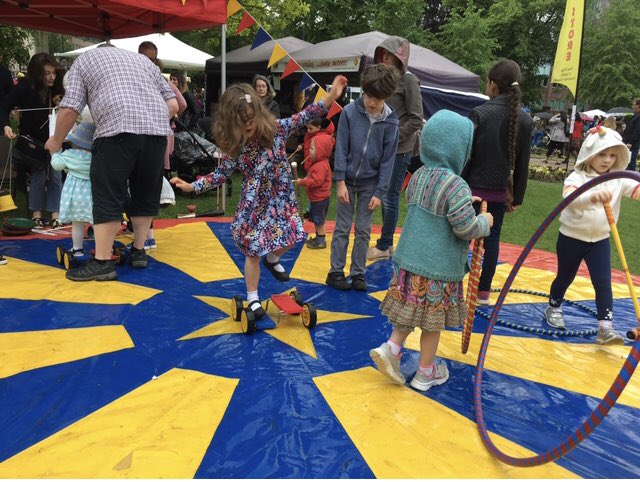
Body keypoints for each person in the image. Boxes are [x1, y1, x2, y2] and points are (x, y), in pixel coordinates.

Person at [171, 76, 348, 317]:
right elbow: (221, 174)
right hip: (255, 203)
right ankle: (252, 297)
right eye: (241, 123)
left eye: (251, 119)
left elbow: (306, 115)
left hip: (280, 197)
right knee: (253, 251)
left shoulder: (277, 129)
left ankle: (273, 258)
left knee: (293, 234)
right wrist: (193, 186)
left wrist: (331, 96)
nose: (248, 126)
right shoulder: (237, 147)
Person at [369, 110, 493, 391]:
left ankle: (392, 347)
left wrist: (461, 200)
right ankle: (426, 372)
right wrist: (483, 223)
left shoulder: (418, 176)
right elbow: (465, 228)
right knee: (431, 324)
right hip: (437, 269)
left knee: (409, 310)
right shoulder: (456, 185)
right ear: (458, 148)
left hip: (409, 262)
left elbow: (434, 204)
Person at [45, 45, 179, 282]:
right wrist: (147, 121)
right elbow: (173, 106)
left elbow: (69, 108)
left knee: (108, 193)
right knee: (144, 192)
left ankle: (103, 262)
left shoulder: (83, 62)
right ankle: (139, 251)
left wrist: (55, 141)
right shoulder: (144, 62)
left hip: (116, 131)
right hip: (157, 133)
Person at [543, 126, 638, 345]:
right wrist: (592, 197)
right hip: (571, 238)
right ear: (590, 155)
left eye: (613, 155)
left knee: (603, 282)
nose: (608, 160)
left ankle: (605, 327)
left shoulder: (618, 179)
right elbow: (571, 198)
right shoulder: (576, 177)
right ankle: (553, 306)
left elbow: (635, 189)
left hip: (600, 241)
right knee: (565, 277)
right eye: (602, 154)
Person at [461, 59, 532, 305]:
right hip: (500, 193)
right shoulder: (524, 120)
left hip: (471, 190)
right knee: (492, 241)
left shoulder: (480, 113)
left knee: (460, 236)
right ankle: (483, 292)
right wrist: (518, 197)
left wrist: (457, 185)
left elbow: (466, 155)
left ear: (492, 84)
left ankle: (452, 282)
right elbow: (523, 165)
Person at [325, 64, 400, 292]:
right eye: (368, 95)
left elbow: (389, 160)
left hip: (370, 183)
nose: (371, 102)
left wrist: (380, 192)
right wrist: (340, 181)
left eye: (377, 98)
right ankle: (336, 272)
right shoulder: (349, 112)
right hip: (347, 180)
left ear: (386, 97)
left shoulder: (391, 122)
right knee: (342, 227)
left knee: (364, 230)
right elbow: (341, 149)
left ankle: (358, 273)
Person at [367, 36, 424, 260]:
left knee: (389, 196)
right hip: (381, 148)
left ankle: (383, 245)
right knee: (381, 194)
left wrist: (393, 136)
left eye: (389, 55)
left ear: (399, 58)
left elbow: (416, 118)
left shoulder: (409, 80)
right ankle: (387, 243)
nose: (385, 58)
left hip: (400, 149)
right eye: (382, 55)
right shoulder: (384, 80)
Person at [1, 52, 65, 228]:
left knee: (56, 177)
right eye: (47, 73)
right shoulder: (24, 87)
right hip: (33, 142)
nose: (52, 77)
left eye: (53, 73)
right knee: (38, 175)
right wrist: (6, 125)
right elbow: (5, 106)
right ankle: (36, 215)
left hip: (54, 139)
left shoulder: (57, 88)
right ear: (37, 73)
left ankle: (55, 214)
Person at [50, 120, 95, 255]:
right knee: (97, 224)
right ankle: (103, 249)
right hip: (92, 196)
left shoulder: (69, 155)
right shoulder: (95, 157)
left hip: (74, 196)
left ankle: (77, 249)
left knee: (77, 224)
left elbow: (57, 165)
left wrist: (55, 152)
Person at [295, 133, 334, 249]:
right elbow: (314, 177)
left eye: (312, 148)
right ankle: (318, 238)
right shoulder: (319, 163)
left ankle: (321, 241)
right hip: (317, 199)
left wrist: (302, 182)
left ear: (321, 151)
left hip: (319, 200)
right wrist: (307, 178)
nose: (309, 151)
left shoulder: (320, 166)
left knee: (319, 221)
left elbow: (317, 182)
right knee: (317, 220)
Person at [622, 98, 640, 172]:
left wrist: (630, 142)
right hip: (630, 141)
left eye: (633, 104)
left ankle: (631, 177)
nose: (632, 106)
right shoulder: (636, 115)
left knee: (631, 160)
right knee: (628, 160)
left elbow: (637, 131)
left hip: (632, 143)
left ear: (638, 105)